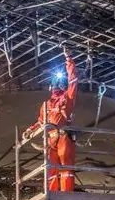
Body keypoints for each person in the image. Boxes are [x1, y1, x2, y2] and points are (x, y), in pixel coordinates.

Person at [22, 46, 78, 191]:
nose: (55, 85)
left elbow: (73, 81)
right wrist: (30, 130)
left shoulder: (67, 98)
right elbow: (41, 121)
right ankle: (52, 194)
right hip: (50, 139)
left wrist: (69, 60)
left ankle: (66, 195)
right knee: (51, 169)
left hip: (64, 136)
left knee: (66, 167)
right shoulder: (46, 105)